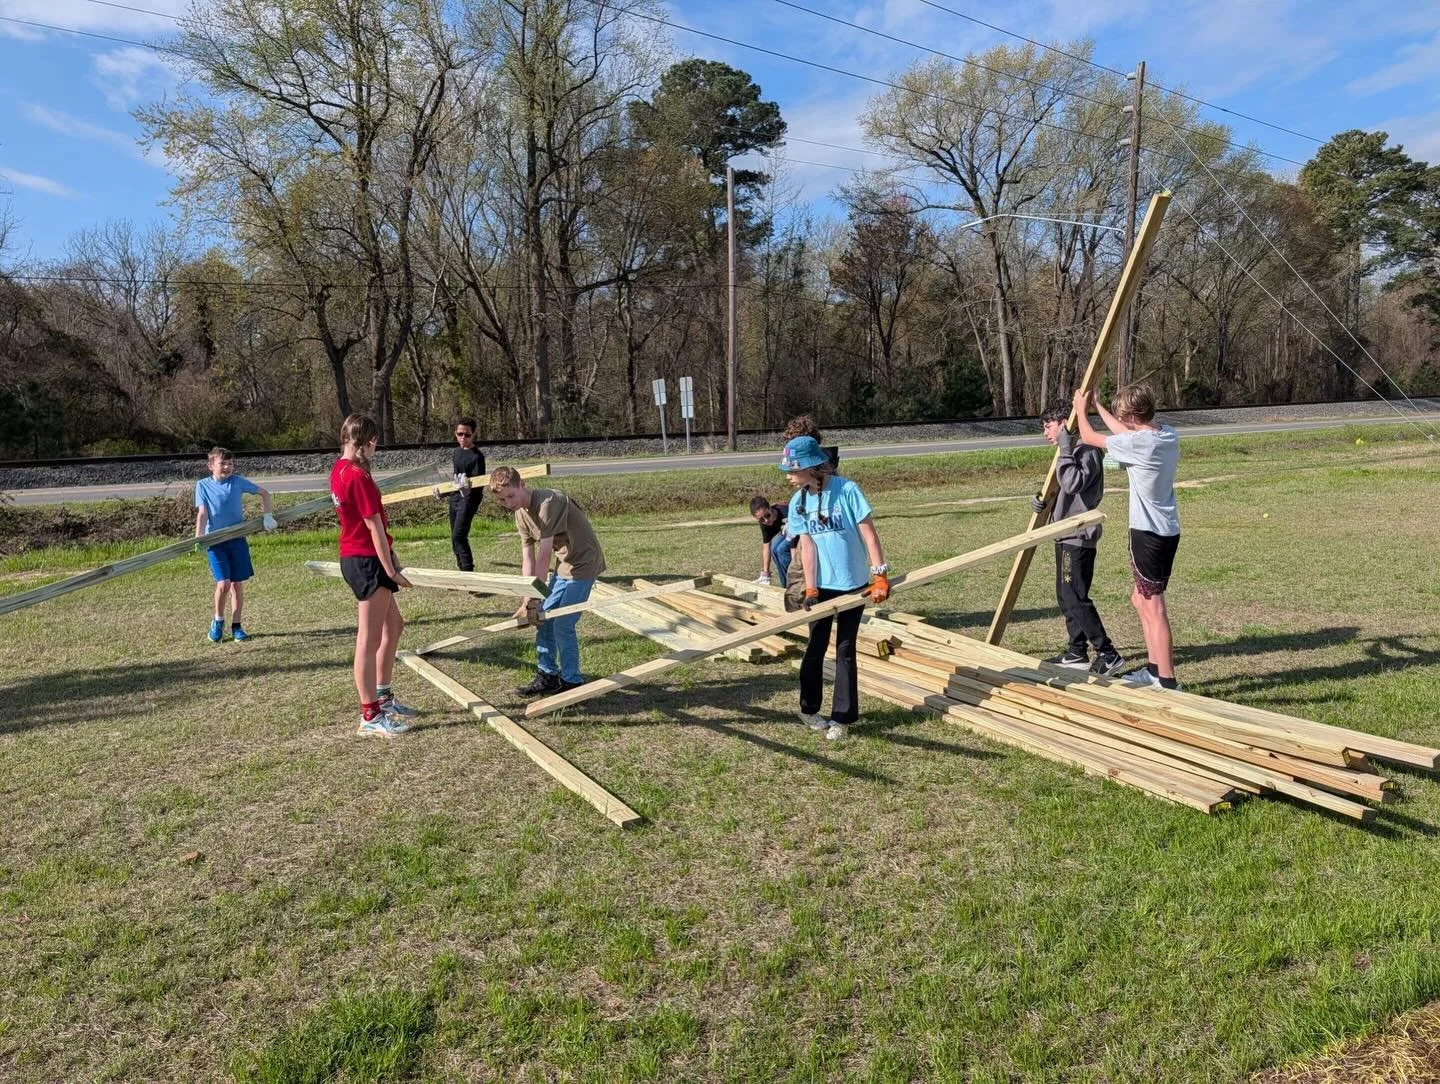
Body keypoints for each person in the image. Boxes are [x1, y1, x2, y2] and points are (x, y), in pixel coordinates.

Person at [1072, 384, 1182, 691]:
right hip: (1167, 531)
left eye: (1125, 416)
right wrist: (1098, 406)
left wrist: (1082, 410)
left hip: (1147, 534)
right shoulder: (1167, 434)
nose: (1124, 421)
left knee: (1154, 607)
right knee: (1140, 599)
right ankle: (1153, 669)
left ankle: (1167, 681)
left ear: (1133, 415)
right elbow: (1127, 434)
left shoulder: (1141, 444)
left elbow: (1092, 438)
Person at [782, 435, 890, 741]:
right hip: (822, 588)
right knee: (815, 647)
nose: (788, 476)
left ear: (810, 467)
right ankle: (808, 709)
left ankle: (842, 717)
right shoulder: (797, 502)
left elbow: (869, 534)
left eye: (792, 470)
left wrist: (879, 575)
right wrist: (812, 588)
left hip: (854, 585)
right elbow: (807, 546)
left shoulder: (848, 490)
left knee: (845, 649)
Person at [330, 413, 419, 737]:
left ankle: (383, 697)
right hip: (366, 561)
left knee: (394, 626)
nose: (375, 450)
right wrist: (391, 570)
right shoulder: (356, 476)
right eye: (374, 444)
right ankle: (370, 715)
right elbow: (375, 529)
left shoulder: (339, 469)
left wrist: (390, 560)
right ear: (367, 442)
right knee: (368, 640)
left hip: (361, 557)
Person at [488, 466, 606, 697]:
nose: (509, 503)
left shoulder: (547, 503)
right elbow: (527, 558)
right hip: (564, 564)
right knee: (543, 619)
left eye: (511, 496)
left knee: (563, 623)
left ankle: (572, 682)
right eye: (502, 500)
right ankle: (548, 675)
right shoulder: (520, 515)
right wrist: (527, 599)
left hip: (584, 562)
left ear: (522, 485)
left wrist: (536, 595)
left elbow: (543, 555)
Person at [1031, 402, 1124, 676]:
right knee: (1065, 595)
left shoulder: (1086, 450)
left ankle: (1108, 654)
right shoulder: (1069, 451)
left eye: (1048, 427)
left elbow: (1072, 482)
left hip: (1078, 535)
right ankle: (1076, 651)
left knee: (1075, 597)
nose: (1046, 434)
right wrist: (1041, 503)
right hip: (1063, 533)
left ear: (1063, 422)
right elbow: (1062, 490)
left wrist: (1065, 447)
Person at [194, 446, 276, 643]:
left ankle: (237, 626)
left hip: (237, 539)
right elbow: (203, 513)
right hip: (216, 541)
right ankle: (218, 621)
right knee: (224, 583)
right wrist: (198, 538)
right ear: (211, 466)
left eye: (230, 463)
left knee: (236, 584)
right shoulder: (202, 485)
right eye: (223, 463)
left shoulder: (237, 482)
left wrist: (267, 516)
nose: (228, 467)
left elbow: (264, 493)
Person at [439, 416, 486, 572]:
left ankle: (468, 573)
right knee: (454, 537)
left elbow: (479, 485)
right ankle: (462, 571)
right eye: (459, 434)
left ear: (474, 434)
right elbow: (455, 480)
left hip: (470, 499)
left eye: (467, 434)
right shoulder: (456, 452)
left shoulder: (477, 457)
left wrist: (467, 488)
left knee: (459, 536)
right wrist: (444, 493)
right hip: (456, 498)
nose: (462, 438)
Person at [748, 494, 793, 586]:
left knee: (781, 549)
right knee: (773, 548)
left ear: (770, 508)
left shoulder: (785, 510)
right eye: (761, 519)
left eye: (767, 515)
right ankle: (785, 585)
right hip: (786, 532)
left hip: (798, 530)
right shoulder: (764, 524)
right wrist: (766, 573)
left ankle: (794, 580)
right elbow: (766, 546)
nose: (766, 521)